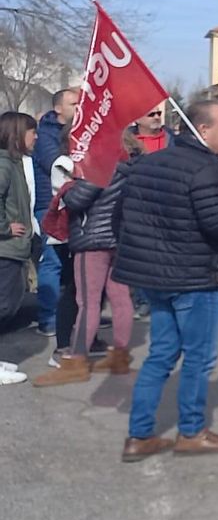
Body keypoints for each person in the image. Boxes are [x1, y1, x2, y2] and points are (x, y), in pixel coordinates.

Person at [115, 101, 218, 462]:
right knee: (199, 358)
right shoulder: (204, 168)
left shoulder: (148, 163)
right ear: (203, 129)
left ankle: (139, 435)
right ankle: (192, 431)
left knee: (161, 354)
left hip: (155, 276)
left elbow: (122, 217)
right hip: (195, 277)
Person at [32, 131, 140, 386]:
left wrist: (69, 184)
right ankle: (120, 356)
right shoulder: (130, 165)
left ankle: (76, 361)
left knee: (88, 302)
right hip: (119, 239)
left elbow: (78, 199)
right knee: (120, 299)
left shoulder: (99, 164)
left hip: (92, 240)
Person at [31, 88, 79, 338]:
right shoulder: (45, 135)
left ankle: (75, 316)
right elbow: (58, 164)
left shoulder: (78, 130)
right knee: (52, 261)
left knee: (75, 264)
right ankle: (47, 318)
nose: (78, 107)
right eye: (73, 103)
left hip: (74, 203)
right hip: (50, 206)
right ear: (58, 108)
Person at [0, 112, 40, 340]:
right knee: (5, 305)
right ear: (16, 134)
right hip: (6, 248)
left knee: (10, 304)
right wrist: (5, 228)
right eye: (32, 132)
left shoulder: (14, 163)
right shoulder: (4, 165)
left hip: (14, 249)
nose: (36, 137)